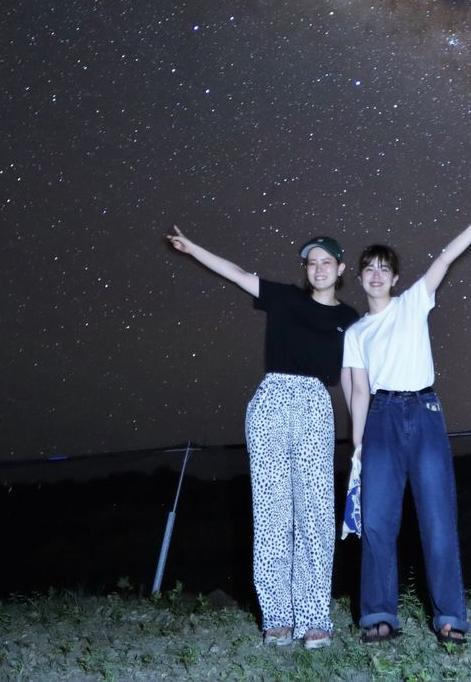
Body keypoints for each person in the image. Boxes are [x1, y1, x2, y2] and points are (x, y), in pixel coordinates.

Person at [166, 226, 359, 649]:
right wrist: (193, 247)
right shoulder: (284, 298)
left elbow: (353, 381)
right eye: (312, 262)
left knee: (315, 514)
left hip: (314, 404)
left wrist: (361, 435)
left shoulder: (351, 320)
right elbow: (235, 273)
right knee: (271, 514)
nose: (319, 268)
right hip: (271, 400)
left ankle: (313, 619)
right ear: (306, 270)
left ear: (341, 268)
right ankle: (277, 617)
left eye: (327, 262)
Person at [342, 189, 471, 646]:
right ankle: (379, 614)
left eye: (383, 268)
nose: (376, 275)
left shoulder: (413, 303)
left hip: (424, 411)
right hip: (380, 419)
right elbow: (357, 390)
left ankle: (450, 617)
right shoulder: (355, 332)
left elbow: (445, 259)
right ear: (360, 277)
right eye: (368, 268)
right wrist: (357, 448)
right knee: (376, 521)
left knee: (437, 518)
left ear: (394, 278)